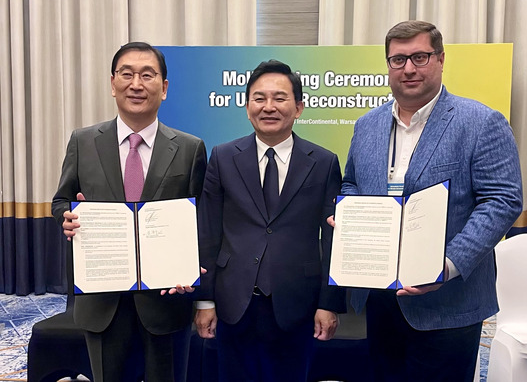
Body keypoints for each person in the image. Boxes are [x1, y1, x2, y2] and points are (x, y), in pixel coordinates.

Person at [340, 20, 523, 381]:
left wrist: (448, 265)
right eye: (398, 60)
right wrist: (348, 214)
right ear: (388, 66)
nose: (408, 68)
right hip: (380, 299)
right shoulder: (367, 125)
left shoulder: (481, 122)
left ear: (440, 59)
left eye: (419, 57)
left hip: (449, 302)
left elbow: (502, 200)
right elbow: (351, 184)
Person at [51, 42, 207, 382]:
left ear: (163, 88)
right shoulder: (83, 141)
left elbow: (199, 219)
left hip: (165, 302)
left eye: (147, 75)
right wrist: (66, 216)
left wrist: (191, 268)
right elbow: (61, 201)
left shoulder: (190, 148)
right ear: (112, 84)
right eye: (127, 74)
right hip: (103, 300)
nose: (136, 84)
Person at [192, 59, 346, 382]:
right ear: (247, 107)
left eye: (280, 98)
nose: (269, 106)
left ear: (299, 107)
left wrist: (328, 303)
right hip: (234, 303)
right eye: (259, 98)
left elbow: (333, 239)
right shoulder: (222, 157)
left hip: (297, 305)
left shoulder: (323, 162)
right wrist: (204, 299)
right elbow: (207, 232)